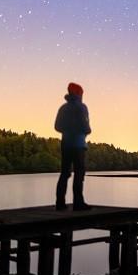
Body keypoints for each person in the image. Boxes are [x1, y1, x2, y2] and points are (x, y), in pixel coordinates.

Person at [54, 82, 92, 211]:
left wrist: (67, 130)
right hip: (79, 144)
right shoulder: (82, 107)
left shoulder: (63, 108)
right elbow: (85, 126)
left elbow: (57, 127)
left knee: (65, 173)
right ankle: (78, 203)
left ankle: (60, 203)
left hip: (65, 144)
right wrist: (86, 130)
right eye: (81, 93)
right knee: (79, 173)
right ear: (78, 94)